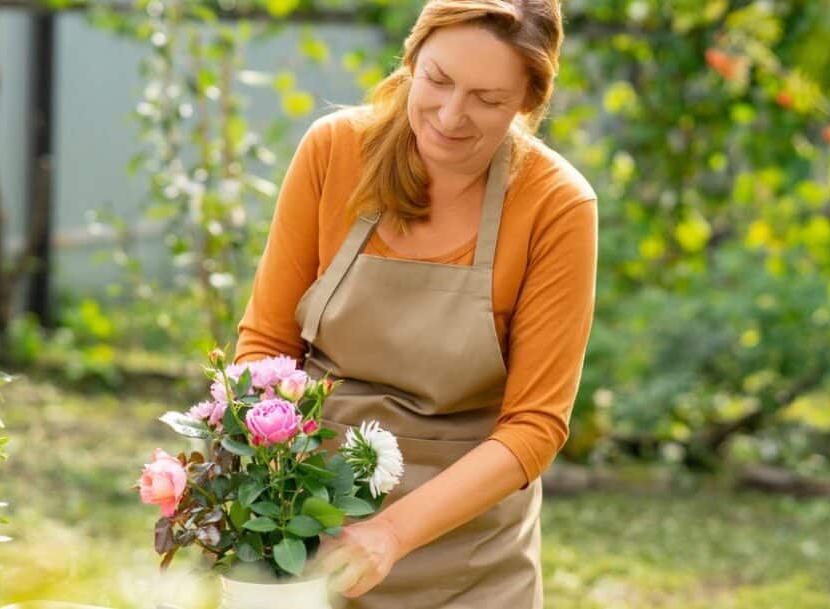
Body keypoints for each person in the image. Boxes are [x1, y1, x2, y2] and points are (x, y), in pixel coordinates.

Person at [233, 0, 596, 606]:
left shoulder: (556, 206)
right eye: (438, 80)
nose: (451, 116)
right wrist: (265, 497)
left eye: (487, 98)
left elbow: (536, 426)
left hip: (469, 555)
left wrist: (391, 532)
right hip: (304, 527)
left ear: (528, 102)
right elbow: (268, 346)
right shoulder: (334, 153)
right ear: (411, 59)